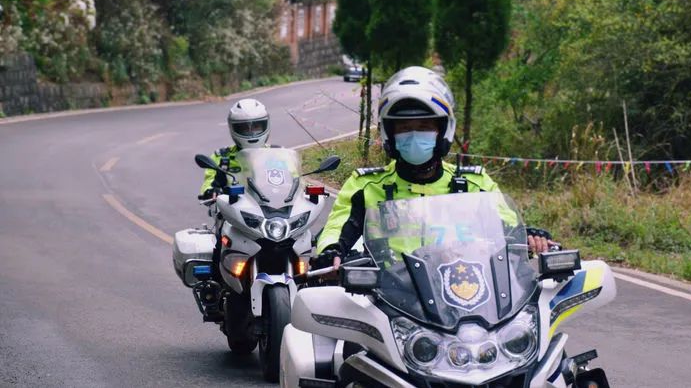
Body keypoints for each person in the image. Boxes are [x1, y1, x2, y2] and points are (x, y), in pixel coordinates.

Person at [313, 66, 552, 270]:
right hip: (385, 301)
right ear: (389, 133)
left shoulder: (476, 184)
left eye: (425, 126)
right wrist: (331, 250)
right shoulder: (365, 186)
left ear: (443, 130)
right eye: (404, 128)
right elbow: (336, 228)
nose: (414, 135)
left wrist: (529, 236)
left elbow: (508, 228)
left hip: (466, 293)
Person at [199, 98, 270, 199]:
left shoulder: (278, 154)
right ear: (233, 128)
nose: (251, 132)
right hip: (232, 207)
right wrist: (211, 190)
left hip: (273, 205)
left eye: (256, 127)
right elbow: (207, 184)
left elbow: (292, 179)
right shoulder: (221, 157)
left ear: (265, 125)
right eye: (244, 128)